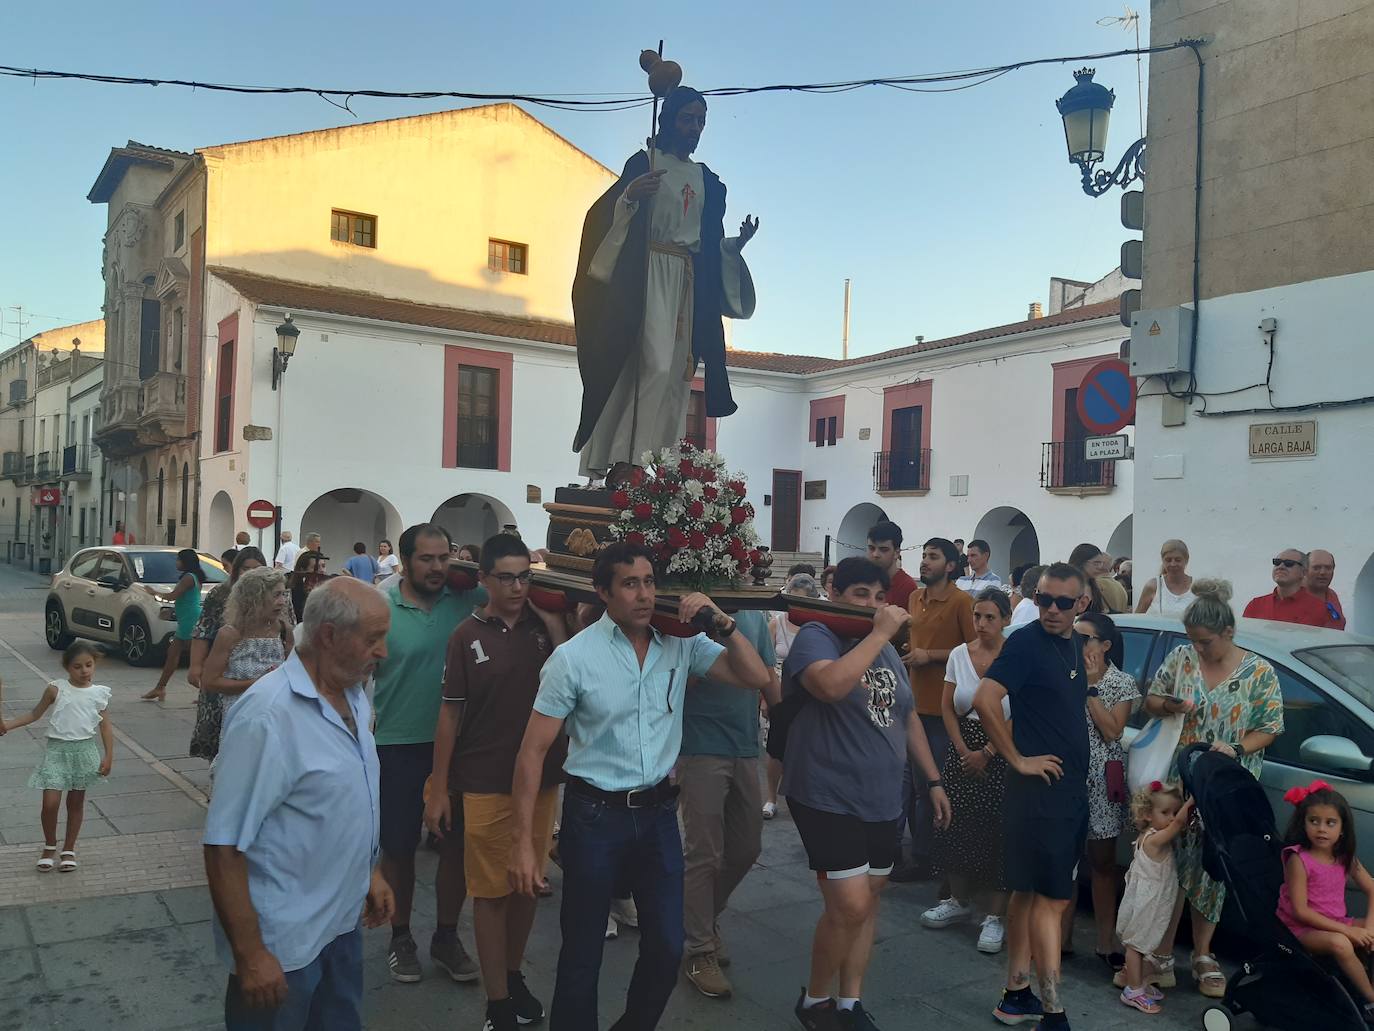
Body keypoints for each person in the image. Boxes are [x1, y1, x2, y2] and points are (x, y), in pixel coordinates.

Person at [507, 541, 772, 1031]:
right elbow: (531, 752)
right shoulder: (574, 659)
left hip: (657, 817)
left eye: (649, 581)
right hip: (594, 817)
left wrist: (722, 622)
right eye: (630, 584)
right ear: (603, 592)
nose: (644, 594)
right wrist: (526, 844)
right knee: (583, 952)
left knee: (668, 944)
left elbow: (755, 676)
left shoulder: (681, 645)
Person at [203, 578, 396, 1030]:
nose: (383, 652)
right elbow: (223, 845)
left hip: (340, 924)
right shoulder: (268, 716)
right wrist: (251, 956)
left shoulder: (353, 694)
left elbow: (341, 801)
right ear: (329, 636)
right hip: (282, 946)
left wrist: (369, 871)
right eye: (373, 639)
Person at [782, 556, 951, 1031]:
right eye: (861, 595)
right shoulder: (818, 635)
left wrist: (933, 780)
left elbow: (907, 714)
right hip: (826, 792)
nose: (873, 606)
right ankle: (815, 1000)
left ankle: (848, 1002)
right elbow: (830, 685)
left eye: (880, 598)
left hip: (882, 795)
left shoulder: (885, 652)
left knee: (867, 901)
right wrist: (880, 632)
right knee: (850, 904)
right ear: (838, 595)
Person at [571, 85, 758, 482]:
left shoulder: (707, 180)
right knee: (650, 363)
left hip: (687, 281)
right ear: (669, 119)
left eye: (701, 121)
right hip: (647, 271)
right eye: (687, 118)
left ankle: (657, 460)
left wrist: (733, 246)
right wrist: (630, 198)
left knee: (677, 371)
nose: (694, 128)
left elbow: (705, 240)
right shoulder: (645, 162)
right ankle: (625, 458)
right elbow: (602, 218)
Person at [424, 534, 567, 1031]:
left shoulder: (546, 628)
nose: (517, 586)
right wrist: (439, 788)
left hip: (544, 779)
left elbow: (579, 675)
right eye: (506, 577)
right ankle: (497, 1001)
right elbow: (449, 716)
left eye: (525, 576)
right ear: (483, 579)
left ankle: (512, 973)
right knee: (491, 892)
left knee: (527, 886)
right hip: (484, 779)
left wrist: (553, 622)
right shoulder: (466, 635)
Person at [1143, 579, 1284, 999]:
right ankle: (1163, 952)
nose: (1198, 649)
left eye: (1205, 642)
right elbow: (1151, 699)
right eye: (1193, 641)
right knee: (1170, 862)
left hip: (1225, 788)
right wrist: (1170, 705)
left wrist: (1237, 747)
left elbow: (1270, 728)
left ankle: (1203, 954)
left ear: (1227, 633)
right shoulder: (1182, 658)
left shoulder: (1259, 673)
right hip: (1179, 780)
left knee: (1211, 870)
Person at [974, 562, 1090, 1031]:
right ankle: (1054, 1010)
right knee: (1050, 900)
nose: (1052, 610)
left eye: (1064, 602)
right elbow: (984, 700)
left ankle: (1016, 993)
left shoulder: (1075, 644)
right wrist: (1018, 758)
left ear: (1082, 603)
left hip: (1065, 790)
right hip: (1040, 793)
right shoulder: (1024, 643)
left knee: (1027, 891)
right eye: (1044, 600)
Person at [373, 523, 487, 985]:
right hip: (397, 744)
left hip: (459, 747)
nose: (438, 567)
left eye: (445, 557)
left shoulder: (466, 600)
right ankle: (400, 937)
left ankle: (445, 936)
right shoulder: (381, 606)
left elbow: (519, 590)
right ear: (404, 561)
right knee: (398, 848)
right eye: (427, 559)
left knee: (455, 847)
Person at [679, 607, 779, 999]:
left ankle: (699, 918)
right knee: (703, 851)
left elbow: (767, 676)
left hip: (743, 743)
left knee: (746, 846)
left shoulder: (753, 615)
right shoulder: (689, 613)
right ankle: (699, 948)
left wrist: (784, 722)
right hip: (699, 743)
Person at [922, 589, 1012, 955]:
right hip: (962, 746)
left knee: (997, 829)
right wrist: (962, 750)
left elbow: (1020, 713)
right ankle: (957, 900)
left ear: (1005, 618)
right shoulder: (960, 654)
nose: (982, 624)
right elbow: (947, 706)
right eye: (978, 616)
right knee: (955, 823)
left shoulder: (1015, 656)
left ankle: (994, 916)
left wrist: (989, 752)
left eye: (991, 617)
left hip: (1003, 748)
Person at [894, 538, 975, 883]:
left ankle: (928, 857)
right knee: (910, 785)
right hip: (912, 703)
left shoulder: (962, 602)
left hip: (941, 708)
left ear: (951, 566)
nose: (925, 562)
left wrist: (932, 655)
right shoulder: (915, 597)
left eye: (933, 556)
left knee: (932, 785)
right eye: (924, 555)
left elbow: (973, 647)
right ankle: (915, 850)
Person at [0, 642, 113, 873]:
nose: (84, 671)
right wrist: (8, 726)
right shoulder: (56, 689)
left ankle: (69, 848)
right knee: (50, 803)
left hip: (84, 752)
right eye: (77, 667)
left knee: (75, 802)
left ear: (95, 664)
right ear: (67, 668)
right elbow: (34, 714)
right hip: (56, 751)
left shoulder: (99, 693)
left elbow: (106, 728)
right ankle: (50, 844)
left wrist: (109, 756)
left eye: (89, 665)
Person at [1072, 611, 1139, 970]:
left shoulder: (1121, 682)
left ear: (1105, 645)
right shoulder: (1063, 671)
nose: (1079, 644)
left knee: (1102, 862)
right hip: (1067, 774)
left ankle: (1104, 940)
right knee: (1066, 860)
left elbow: (1112, 731)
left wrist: (1091, 686)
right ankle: (1061, 939)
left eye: (1086, 639)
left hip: (1101, 779)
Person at [1277, 781, 1374, 1021]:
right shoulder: (1298, 859)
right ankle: (1371, 999)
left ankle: (1363, 985)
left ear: (1342, 828)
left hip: (1335, 922)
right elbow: (1300, 912)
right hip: (1301, 929)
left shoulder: (1344, 857)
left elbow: (1372, 889)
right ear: (1304, 823)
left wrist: (1368, 930)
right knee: (1341, 943)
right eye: (1314, 821)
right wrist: (1348, 932)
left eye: (1330, 823)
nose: (1322, 829)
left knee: (1366, 935)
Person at [1115, 783, 1193, 1015]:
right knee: (1137, 946)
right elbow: (1179, 824)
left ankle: (1139, 984)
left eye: (1174, 811)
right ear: (1148, 814)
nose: (1171, 818)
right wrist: (1192, 802)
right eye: (1165, 812)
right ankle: (1133, 990)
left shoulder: (1151, 836)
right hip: (1145, 904)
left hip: (1149, 901)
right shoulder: (1154, 840)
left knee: (1141, 945)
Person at [189, 548, 267, 762]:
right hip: (222, 668)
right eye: (245, 568)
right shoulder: (220, 594)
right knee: (218, 725)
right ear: (237, 569)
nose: (250, 573)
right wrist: (196, 665)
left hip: (260, 668)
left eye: (256, 569)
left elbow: (288, 630)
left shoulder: (276, 596)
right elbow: (203, 630)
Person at [199, 568, 293, 729]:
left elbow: (293, 673)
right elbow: (210, 681)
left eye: (284, 594)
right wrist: (255, 683)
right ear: (255, 598)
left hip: (277, 715)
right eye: (276, 595)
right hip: (241, 716)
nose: (282, 601)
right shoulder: (230, 634)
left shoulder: (284, 630)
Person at [764, 573, 822, 820]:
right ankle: (769, 798)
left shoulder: (816, 625)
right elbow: (765, 661)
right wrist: (765, 697)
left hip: (806, 690)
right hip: (779, 690)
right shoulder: (776, 623)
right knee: (775, 747)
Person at [143, 548, 205, 702]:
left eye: (178, 559)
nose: (176, 563)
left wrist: (154, 593)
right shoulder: (193, 577)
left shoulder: (189, 578)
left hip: (190, 620)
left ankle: (208, 691)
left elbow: (173, 596)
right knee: (172, 654)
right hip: (186, 619)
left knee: (196, 657)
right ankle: (160, 687)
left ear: (185, 562)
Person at [1243, 548, 1329, 627]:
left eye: (1289, 563)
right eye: (1277, 562)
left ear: (1303, 572)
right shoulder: (1255, 605)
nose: (1280, 567)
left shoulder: (1319, 608)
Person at [1135, 539, 1195, 616]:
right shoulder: (1153, 586)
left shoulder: (1197, 587)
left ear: (1186, 560)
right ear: (1162, 561)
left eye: (1178, 560)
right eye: (1168, 560)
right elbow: (1137, 617)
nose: (1173, 564)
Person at [867, 521, 917, 609]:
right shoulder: (863, 580)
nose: (875, 554)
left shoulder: (906, 587)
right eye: (871, 548)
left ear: (896, 553)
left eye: (883, 549)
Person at [1069, 543, 1127, 614]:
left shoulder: (1096, 587)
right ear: (1082, 562)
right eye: (1096, 563)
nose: (1100, 567)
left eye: (1101, 563)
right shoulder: (1068, 586)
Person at [1305, 549, 1346, 630]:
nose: (1323, 572)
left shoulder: (1332, 595)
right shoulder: (1293, 595)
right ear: (1305, 570)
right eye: (1316, 568)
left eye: (1328, 568)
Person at [289, 550, 326, 623]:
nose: (322, 570)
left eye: (323, 566)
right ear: (302, 570)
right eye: (316, 567)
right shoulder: (294, 593)